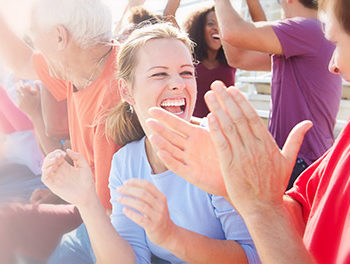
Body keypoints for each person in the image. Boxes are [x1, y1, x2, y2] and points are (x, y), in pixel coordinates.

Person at [146, 0, 350, 262]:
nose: (331, 63)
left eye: (337, 42)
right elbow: (302, 218)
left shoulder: (306, 29)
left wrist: (262, 209)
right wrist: (237, 188)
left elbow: (234, 34)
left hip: (301, 158)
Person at [42, 23, 260, 264]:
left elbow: (254, 256)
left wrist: (171, 236)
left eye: (186, 72)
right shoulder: (126, 162)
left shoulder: (221, 146)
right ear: (126, 91)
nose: (178, 83)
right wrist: (86, 200)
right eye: (160, 74)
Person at [0, 0, 120, 262]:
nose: (35, 50)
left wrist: (60, 196)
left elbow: (106, 211)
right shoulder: (77, 67)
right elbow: (20, 62)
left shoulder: (115, 98)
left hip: (111, 228)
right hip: (92, 209)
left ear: (59, 37)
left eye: (34, 39)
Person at [217, 0, 342, 188]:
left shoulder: (307, 29)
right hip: (303, 161)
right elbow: (239, 57)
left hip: (300, 163)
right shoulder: (309, 35)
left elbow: (232, 32)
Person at [164, 1, 237, 118]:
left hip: (224, 129)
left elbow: (258, 29)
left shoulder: (232, 58)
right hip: (193, 128)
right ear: (199, 28)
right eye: (211, 23)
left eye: (221, 24)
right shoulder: (189, 55)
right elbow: (168, 15)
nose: (216, 28)